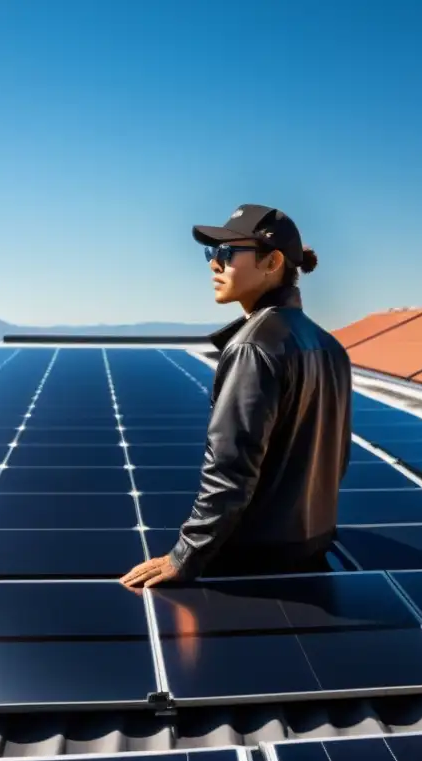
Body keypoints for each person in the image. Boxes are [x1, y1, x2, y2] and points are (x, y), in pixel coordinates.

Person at [120, 204, 353, 588]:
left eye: (226, 253)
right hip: (309, 554)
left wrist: (186, 554)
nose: (213, 264)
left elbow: (230, 468)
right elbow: (337, 458)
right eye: (210, 253)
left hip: (251, 567)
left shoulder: (252, 348)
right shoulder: (329, 346)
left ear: (272, 261)